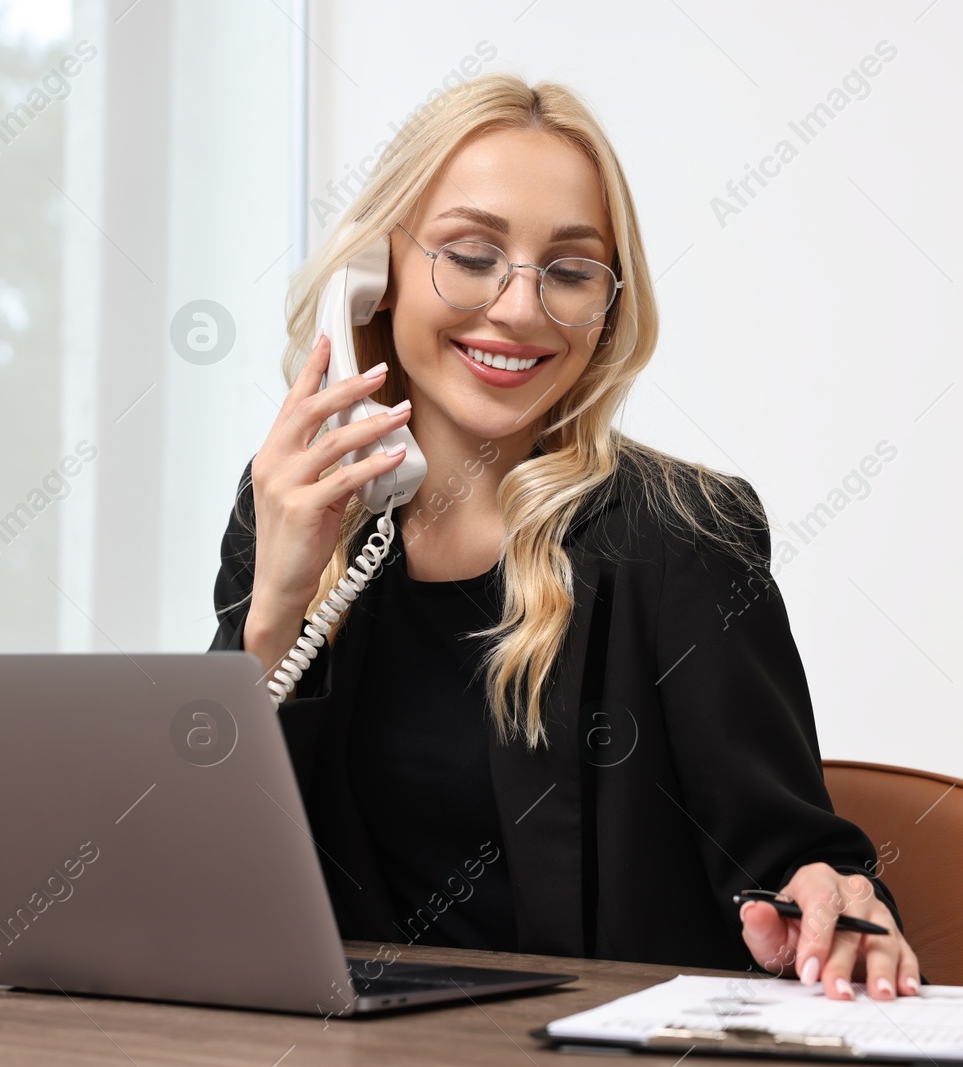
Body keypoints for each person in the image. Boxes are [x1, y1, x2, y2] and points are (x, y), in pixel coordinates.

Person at [209, 73, 922, 1000]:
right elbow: (209, 867)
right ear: (375, 276)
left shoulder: (681, 540)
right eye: (470, 254)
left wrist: (827, 903)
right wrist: (277, 611)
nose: (519, 308)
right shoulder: (295, 509)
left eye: (571, 270)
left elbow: (793, 859)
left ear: (608, 306)